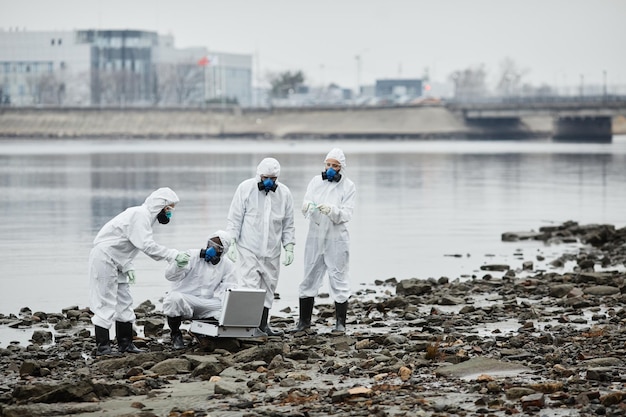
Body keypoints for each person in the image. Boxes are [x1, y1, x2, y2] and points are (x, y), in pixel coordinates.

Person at [88, 187, 190, 356]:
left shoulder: (146, 218)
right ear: (160, 205)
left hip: (118, 261)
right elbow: (146, 245)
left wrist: (128, 266)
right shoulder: (140, 215)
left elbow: (125, 243)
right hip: (104, 258)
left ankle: (125, 343)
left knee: (124, 300)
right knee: (105, 302)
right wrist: (173, 255)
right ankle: (103, 347)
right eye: (169, 208)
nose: (170, 212)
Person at [226, 157, 295, 336]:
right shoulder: (245, 189)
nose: (269, 181)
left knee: (269, 287)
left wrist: (289, 246)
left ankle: (263, 325)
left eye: (273, 178)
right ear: (259, 175)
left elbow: (288, 223)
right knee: (250, 287)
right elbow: (235, 218)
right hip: (248, 247)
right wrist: (231, 241)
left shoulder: (284, 193)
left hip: (272, 250)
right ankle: (250, 326)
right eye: (265, 177)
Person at [295, 148, 356, 334]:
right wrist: (307, 207)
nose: (330, 168)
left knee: (339, 278)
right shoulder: (315, 182)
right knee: (309, 277)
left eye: (334, 165)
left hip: (336, 239)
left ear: (341, 167)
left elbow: (347, 214)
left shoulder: (348, 186)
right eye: (328, 164)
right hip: (315, 237)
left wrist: (332, 211)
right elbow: (306, 203)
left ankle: (340, 323)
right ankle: (304, 323)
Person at [163, 230, 239, 349]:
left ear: (223, 250)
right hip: (186, 299)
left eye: (217, 247)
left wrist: (229, 306)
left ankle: (199, 330)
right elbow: (170, 276)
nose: (212, 248)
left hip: (206, 302)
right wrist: (178, 265)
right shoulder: (192, 255)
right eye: (210, 243)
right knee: (173, 299)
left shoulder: (227, 265)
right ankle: (175, 335)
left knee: (228, 307)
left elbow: (229, 288)